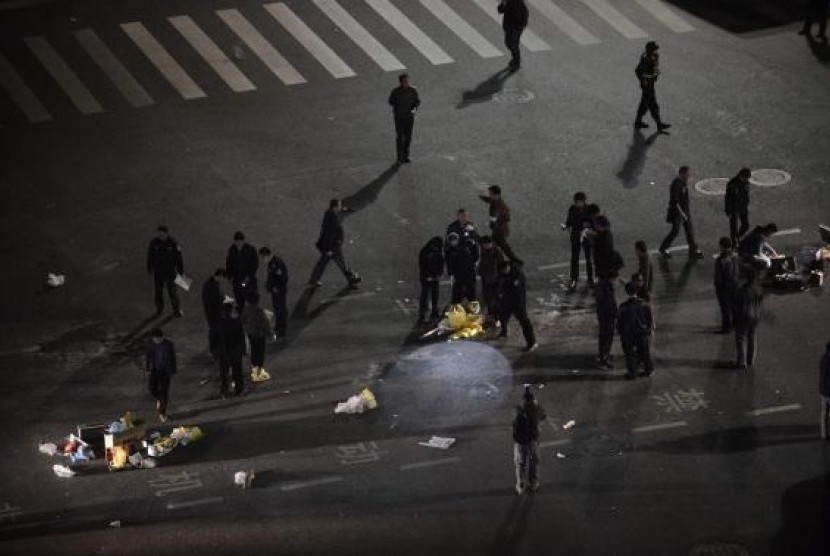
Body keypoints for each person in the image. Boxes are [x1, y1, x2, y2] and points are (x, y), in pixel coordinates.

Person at [309, 199, 362, 288]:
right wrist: (328, 249)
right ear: (335, 207)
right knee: (342, 263)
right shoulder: (331, 220)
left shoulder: (330, 213)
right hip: (333, 246)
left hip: (331, 246)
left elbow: (340, 210)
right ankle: (352, 279)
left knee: (323, 262)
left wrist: (347, 209)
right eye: (339, 205)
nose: (340, 207)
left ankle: (314, 279)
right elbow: (328, 234)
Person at [658, 166, 704, 259]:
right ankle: (663, 248)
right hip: (677, 213)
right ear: (682, 174)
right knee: (675, 231)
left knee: (689, 230)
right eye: (687, 175)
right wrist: (683, 214)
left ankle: (693, 249)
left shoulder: (683, 183)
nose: (689, 177)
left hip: (685, 211)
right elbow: (675, 202)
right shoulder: (676, 185)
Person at [496, 261, 538, 352]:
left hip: (517, 302)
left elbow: (515, 288)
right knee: (503, 316)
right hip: (506, 300)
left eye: (504, 271)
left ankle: (532, 342)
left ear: (508, 267)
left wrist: (504, 290)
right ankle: (504, 332)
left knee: (524, 321)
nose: (503, 272)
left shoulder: (517, 275)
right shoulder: (502, 273)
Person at [512, 385, 546, 494]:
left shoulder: (519, 409)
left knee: (520, 463)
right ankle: (533, 483)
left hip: (520, 441)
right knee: (534, 461)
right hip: (532, 439)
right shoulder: (535, 408)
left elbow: (514, 425)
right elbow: (543, 416)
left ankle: (520, 484)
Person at [617, 282, 654, 379]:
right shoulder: (644, 304)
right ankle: (648, 370)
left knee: (629, 354)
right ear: (637, 291)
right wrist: (648, 330)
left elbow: (620, 321)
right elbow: (649, 319)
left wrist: (620, 331)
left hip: (628, 333)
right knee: (645, 352)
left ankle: (632, 373)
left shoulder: (623, 306)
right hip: (642, 332)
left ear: (626, 292)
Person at [479, 185, 522, 265]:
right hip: (499, 230)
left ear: (496, 195)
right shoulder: (497, 201)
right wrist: (482, 197)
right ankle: (513, 261)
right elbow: (490, 200)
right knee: (501, 247)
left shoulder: (499, 206)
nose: (489, 195)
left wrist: (494, 224)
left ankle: (503, 262)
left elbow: (504, 217)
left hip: (500, 231)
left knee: (493, 246)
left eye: (491, 194)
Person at [147, 225, 184, 317]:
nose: (160, 236)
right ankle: (159, 309)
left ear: (166, 233)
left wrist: (180, 271)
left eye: (162, 234)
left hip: (170, 272)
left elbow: (179, 258)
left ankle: (177, 310)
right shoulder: (154, 243)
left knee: (173, 291)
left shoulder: (173, 243)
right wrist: (150, 268)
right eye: (159, 234)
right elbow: (150, 256)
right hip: (158, 272)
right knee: (158, 292)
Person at [211, 303, 246, 398]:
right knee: (237, 372)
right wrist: (243, 350)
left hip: (223, 352)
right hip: (235, 351)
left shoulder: (217, 324)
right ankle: (239, 389)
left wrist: (214, 351)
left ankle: (224, 390)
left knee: (224, 373)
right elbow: (241, 338)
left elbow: (213, 339)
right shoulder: (236, 322)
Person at [634, 41, 670, 132]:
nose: (656, 51)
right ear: (650, 50)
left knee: (644, 104)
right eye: (654, 49)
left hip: (650, 84)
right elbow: (638, 71)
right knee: (654, 105)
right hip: (647, 86)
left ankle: (638, 122)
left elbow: (654, 68)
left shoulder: (652, 56)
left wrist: (655, 70)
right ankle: (659, 124)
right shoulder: (645, 59)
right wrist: (649, 78)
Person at [733, 272, 763, 370]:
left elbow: (736, 306)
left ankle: (742, 361)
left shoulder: (742, 291)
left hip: (743, 316)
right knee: (752, 337)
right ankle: (751, 360)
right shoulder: (758, 290)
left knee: (741, 338)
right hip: (754, 316)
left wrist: (734, 319)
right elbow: (760, 304)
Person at [388, 73, 420, 165]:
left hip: (409, 117)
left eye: (407, 81)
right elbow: (390, 101)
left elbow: (417, 102)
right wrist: (398, 107)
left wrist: (414, 110)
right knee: (400, 137)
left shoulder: (412, 90)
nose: (407, 82)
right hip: (399, 117)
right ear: (400, 82)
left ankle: (406, 156)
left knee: (408, 137)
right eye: (405, 81)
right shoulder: (395, 91)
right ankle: (399, 158)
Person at [145, 328, 176, 422]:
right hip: (155, 371)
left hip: (165, 372)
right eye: (155, 339)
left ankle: (162, 413)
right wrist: (147, 368)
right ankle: (159, 399)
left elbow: (173, 357)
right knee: (152, 389)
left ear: (162, 337)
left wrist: (173, 369)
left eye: (158, 339)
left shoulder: (169, 345)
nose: (156, 341)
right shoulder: (151, 345)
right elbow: (148, 356)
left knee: (164, 393)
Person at [564, 192, 593, 290]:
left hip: (586, 237)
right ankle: (574, 278)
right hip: (576, 236)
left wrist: (587, 229)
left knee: (588, 259)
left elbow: (592, 223)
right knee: (574, 259)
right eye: (577, 202)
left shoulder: (589, 210)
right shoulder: (572, 209)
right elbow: (568, 221)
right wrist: (567, 227)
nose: (579, 204)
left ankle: (590, 279)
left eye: (580, 202)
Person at [242, 292, 272, 383]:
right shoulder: (259, 311)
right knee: (260, 352)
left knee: (254, 351)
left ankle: (254, 369)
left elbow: (242, 320)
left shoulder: (246, 309)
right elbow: (265, 324)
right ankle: (258, 371)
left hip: (251, 333)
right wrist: (270, 334)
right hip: (259, 334)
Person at [260, 247, 288, 339]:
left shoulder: (277, 264)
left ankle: (281, 330)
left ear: (268, 255)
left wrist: (276, 288)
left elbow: (282, 278)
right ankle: (278, 327)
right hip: (275, 290)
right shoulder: (272, 263)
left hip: (279, 291)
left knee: (280, 309)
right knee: (277, 308)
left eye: (263, 257)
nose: (263, 260)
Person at [226, 231, 258, 310]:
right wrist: (229, 276)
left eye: (240, 241)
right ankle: (240, 311)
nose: (239, 243)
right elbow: (229, 263)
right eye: (237, 242)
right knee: (238, 296)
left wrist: (248, 277)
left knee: (249, 295)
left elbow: (254, 265)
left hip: (246, 280)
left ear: (243, 241)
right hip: (237, 280)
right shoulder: (232, 249)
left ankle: (253, 311)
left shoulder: (250, 250)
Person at [714, 237, 739, 334]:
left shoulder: (720, 260)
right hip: (735, 284)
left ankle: (726, 328)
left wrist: (717, 286)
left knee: (725, 308)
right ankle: (735, 325)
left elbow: (718, 276)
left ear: (722, 246)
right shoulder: (735, 257)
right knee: (734, 306)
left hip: (724, 286)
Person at [445, 231, 478, 304]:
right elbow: (449, 263)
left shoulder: (466, 246)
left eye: (454, 240)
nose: (453, 242)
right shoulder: (449, 250)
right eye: (451, 241)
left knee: (471, 295)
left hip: (469, 273)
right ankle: (456, 311)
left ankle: (473, 311)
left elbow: (475, 255)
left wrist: (473, 264)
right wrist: (450, 273)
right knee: (456, 296)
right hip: (457, 275)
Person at [478, 235, 506, 319]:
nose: (485, 246)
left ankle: (497, 315)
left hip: (494, 279)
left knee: (494, 298)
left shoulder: (496, 252)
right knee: (487, 297)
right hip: (486, 278)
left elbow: (501, 265)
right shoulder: (484, 251)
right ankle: (491, 314)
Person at [418, 236, 445, 321]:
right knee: (427, 295)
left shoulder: (426, 251)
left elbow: (441, 264)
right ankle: (426, 311)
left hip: (431, 277)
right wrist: (428, 275)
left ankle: (431, 311)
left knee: (431, 294)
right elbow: (423, 265)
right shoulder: (428, 252)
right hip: (427, 277)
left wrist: (437, 274)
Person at [498, 0, 529, 71]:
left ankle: (516, 60)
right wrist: (503, 3)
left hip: (517, 27)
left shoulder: (519, 2)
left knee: (514, 44)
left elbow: (525, 13)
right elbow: (500, 10)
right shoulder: (506, 2)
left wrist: (522, 25)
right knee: (507, 43)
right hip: (508, 26)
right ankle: (515, 57)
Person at [202, 269, 227, 353]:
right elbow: (214, 300)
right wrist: (223, 301)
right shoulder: (212, 286)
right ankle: (214, 349)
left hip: (211, 312)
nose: (223, 280)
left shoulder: (210, 284)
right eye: (223, 278)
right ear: (220, 276)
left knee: (214, 330)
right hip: (213, 312)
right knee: (215, 330)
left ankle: (214, 348)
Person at [725, 168, 751, 247]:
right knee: (734, 228)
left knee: (746, 225)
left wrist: (746, 205)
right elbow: (728, 198)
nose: (747, 180)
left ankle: (738, 238)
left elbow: (746, 195)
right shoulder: (732, 184)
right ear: (742, 176)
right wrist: (728, 211)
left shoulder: (746, 183)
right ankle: (734, 243)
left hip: (743, 207)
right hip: (733, 208)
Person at [595, 275, 617, 369]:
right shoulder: (607, 289)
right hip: (607, 317)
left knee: (604, 337)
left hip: (604, 317)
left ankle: (604, 357)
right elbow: (610, 304)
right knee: (607, 338)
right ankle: (604, 359)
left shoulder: (602, 287)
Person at [821, 342, 830, 440]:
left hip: (824, 392)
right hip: (828, 391)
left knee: (824, 414)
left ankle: (824, 434)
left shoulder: (823, 359)